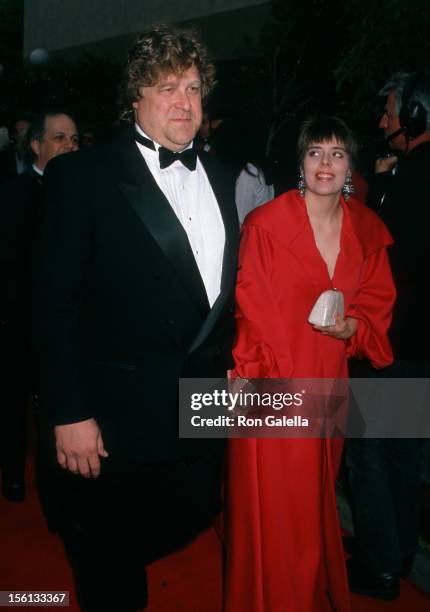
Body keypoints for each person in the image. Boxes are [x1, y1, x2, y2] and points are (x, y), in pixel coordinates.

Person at [32, 25, 238, 612]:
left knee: (184, 527)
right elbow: (52, 305)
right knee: (112, 573)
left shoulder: (221, 178)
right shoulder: (82, 176)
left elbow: (214, 296)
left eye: (194, 87)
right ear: (135, 100)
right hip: (112, 419)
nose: (184, 102)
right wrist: (68, 410)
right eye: (167, 87)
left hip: (195, 412)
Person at [224, 116, 396, 612]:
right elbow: (249, 308)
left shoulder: (367, 228)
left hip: (328, 378)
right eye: (316, 152)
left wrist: (352, 329)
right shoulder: (266, 223)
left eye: (337, 154)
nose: (326, 163)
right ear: (301, 162)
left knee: (312, 502)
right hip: (271, 379)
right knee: (276, 511)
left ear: (350, 166)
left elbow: (377, 305)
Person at [346, 71, 430, 600]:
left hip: (389, 345)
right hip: (421, 345)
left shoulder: (405, 180)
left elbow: (371, 250)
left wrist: (375, 189)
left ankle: (380, 566)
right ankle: (396, 552)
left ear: (417, 117)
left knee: (370, 454)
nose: (383, 122)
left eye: (391, 113)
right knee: (403, 455)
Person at [0, 110, 78, 502]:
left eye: (73, 139)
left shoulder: (84, 193)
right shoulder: (12, 194)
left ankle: (57, 490)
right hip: (19, 323)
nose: (68, 146)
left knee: (58, 406)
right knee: (14, 405)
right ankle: (12, 475)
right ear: (36, 145)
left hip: (69, 325)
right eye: (59, 138)